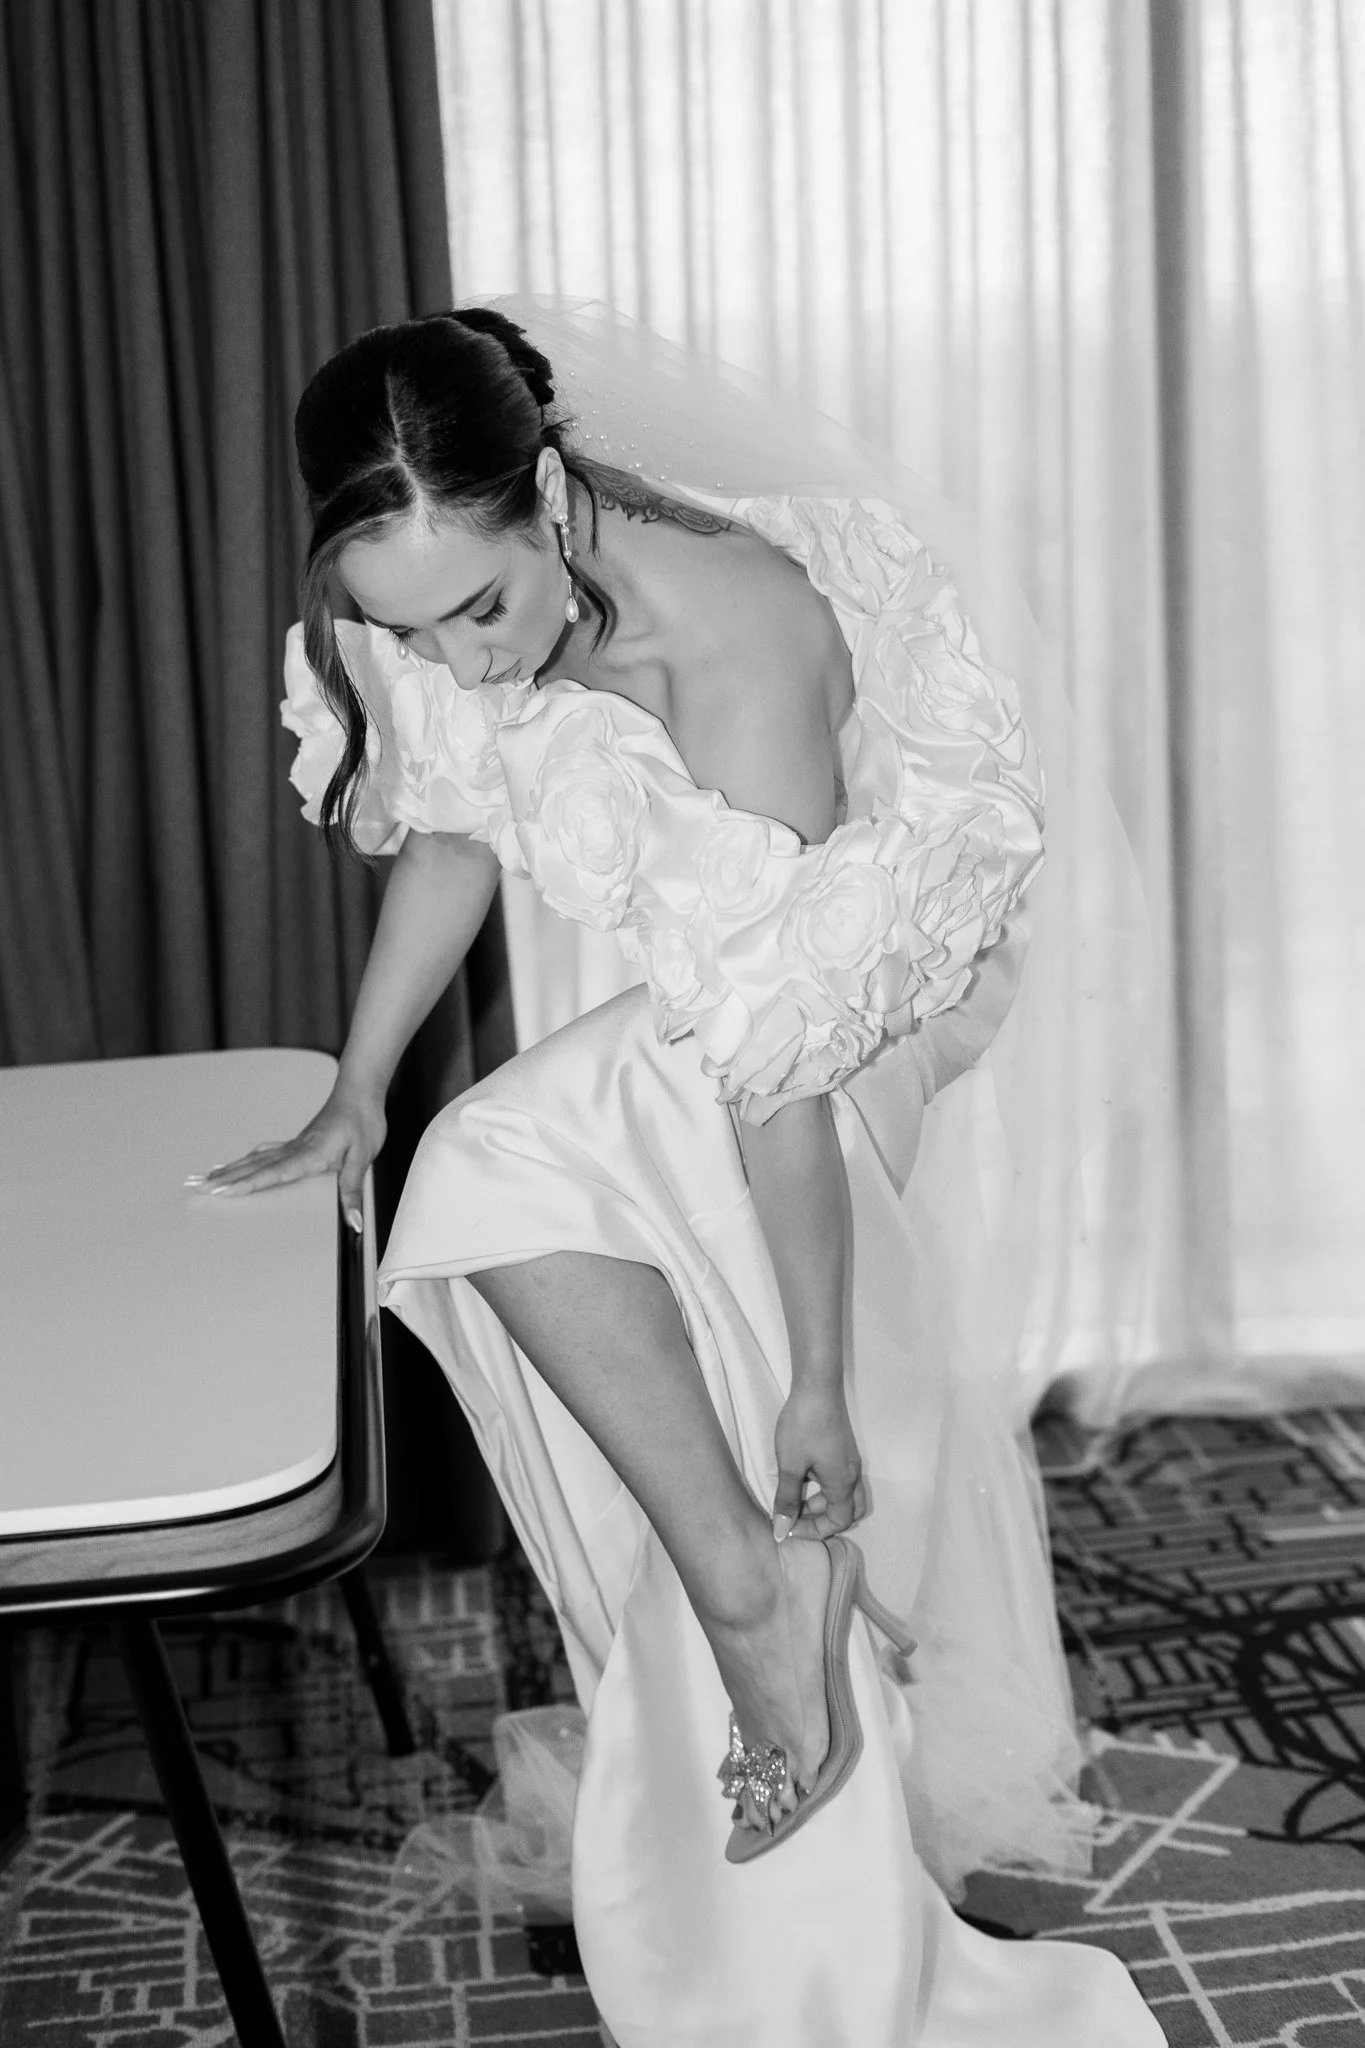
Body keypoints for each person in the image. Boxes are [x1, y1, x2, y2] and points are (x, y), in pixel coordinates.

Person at [203, 302, 1165, 2045]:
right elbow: (458, 812)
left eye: (482, 611)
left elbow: (779, 1059)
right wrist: (354, 1085)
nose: (467, 662)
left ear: (552, 499)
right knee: (601, 1358)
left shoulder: (735, 634)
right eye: (406, 627)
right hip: (727, 1024)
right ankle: (756, 1731)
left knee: (550, 1217)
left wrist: (818, 1379)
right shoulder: (446, 594)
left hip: (860, 1017)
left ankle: (763, 1626)